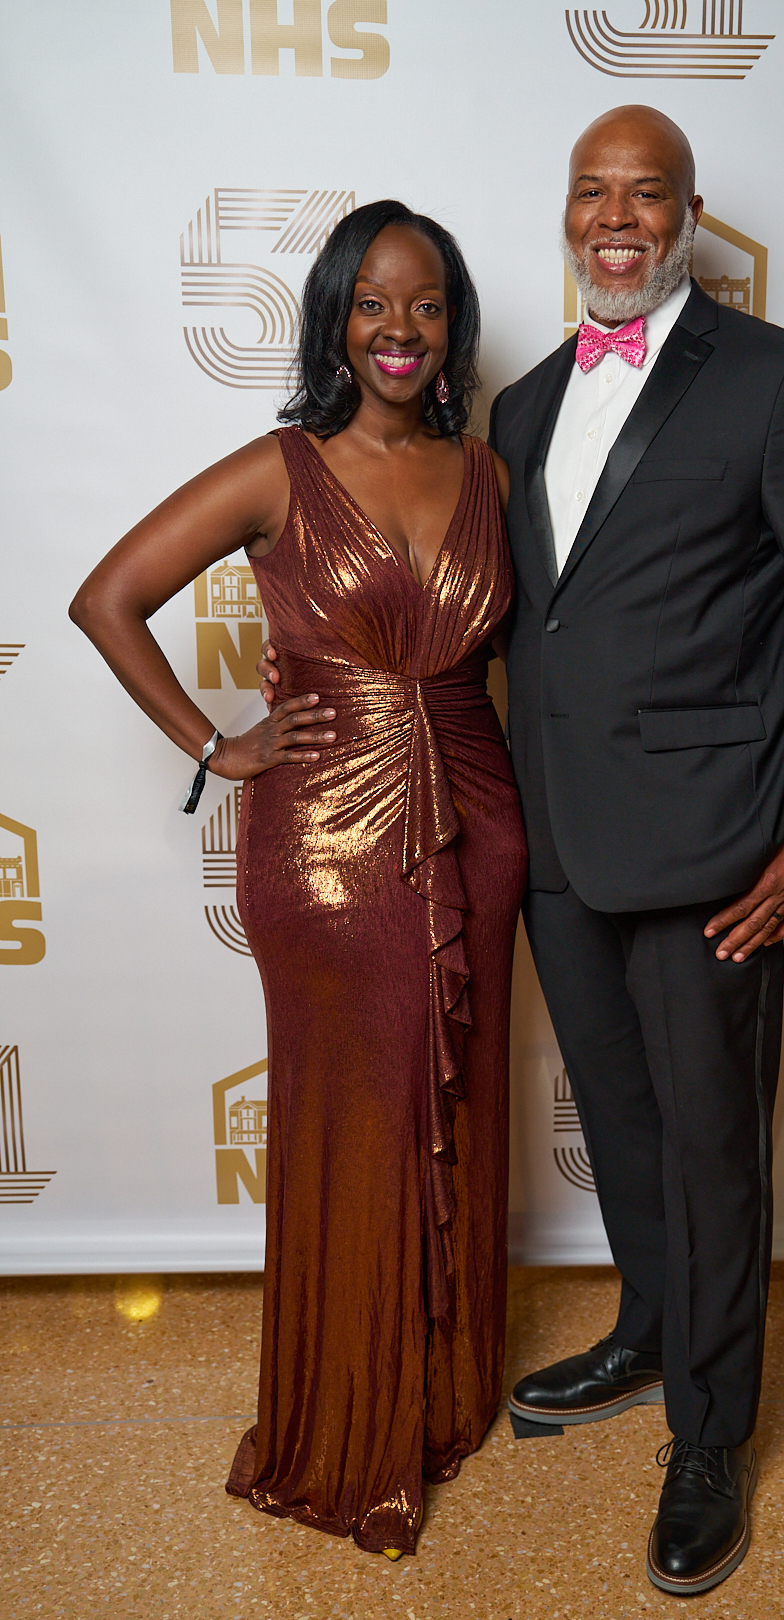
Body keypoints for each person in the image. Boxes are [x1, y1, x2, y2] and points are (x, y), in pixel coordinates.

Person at [70, 202, 527, 1556]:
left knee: (459, 1106)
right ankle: (343, 1423)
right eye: (372, 302)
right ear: (336, 318)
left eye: (427, 304)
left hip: (480, 823)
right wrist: (218, 745)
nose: (400, 328)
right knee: (359, 1121)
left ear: (454, 327)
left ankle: (437, 1396)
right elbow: (107, 597)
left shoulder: (493, 475)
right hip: (326, 842)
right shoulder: (280, 470)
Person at [494, 104, 784, 1596]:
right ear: (567, 211)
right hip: (558, 840)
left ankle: (713, 1432)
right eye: (592, 191)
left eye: (646, 192)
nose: (617, 216)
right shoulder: (523, 406)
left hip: (719, 846)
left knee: (715, 1145)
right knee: (622, 1123)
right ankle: (653, 1332)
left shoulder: (782, 381)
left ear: (689, 214)